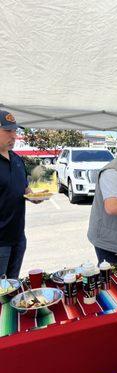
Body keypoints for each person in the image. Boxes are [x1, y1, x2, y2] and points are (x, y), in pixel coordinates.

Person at [0, 110, 38, 278]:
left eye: (15, 131)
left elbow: (24, 189)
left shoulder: (17, 160)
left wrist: (34, 196)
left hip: (18, 238)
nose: (14, 135)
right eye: (8, 131)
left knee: (12, 285)